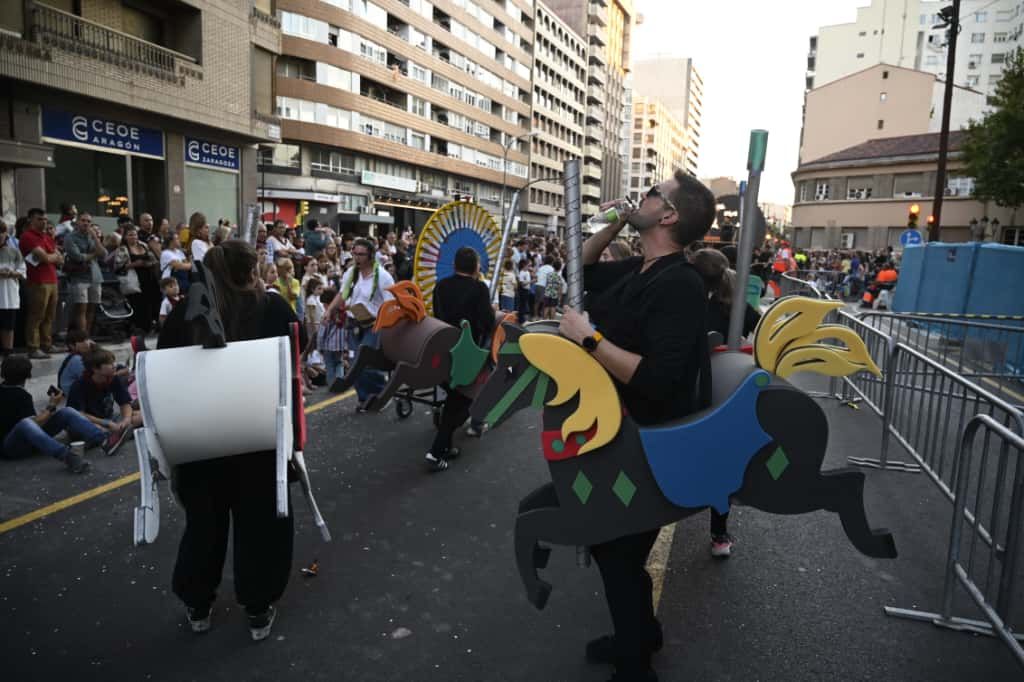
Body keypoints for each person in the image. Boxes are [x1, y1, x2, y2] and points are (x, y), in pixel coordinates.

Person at [558, 171, 715, 682]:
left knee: (618, 552)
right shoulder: (642, 268)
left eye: (652, 194)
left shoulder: (682, 283)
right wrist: (613, 222)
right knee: (613, 551)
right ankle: (640, 636)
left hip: (651, 441)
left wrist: (588, 340)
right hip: (617, 434)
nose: (641, 196)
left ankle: (636, 662)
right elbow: (578, 270)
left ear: (668, 216)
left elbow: (659, 380)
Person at [158, 239, 303, 640]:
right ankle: (258, 607)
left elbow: (162, 368)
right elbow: (297, 346)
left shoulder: (186, 313)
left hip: (199, 438)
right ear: (251, 271)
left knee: (203, 523)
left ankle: (197, 603)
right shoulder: (271, 307)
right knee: (262, 525)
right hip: (257, 436)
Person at [427, 247, 494, 472]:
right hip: (470, 352)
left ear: (454, 265)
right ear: (476, 267)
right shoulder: (479, 288)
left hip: (444, 346)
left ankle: (444, 448)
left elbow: (436, 314)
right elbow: (487, 321)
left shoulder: (441, 286)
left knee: (454, 398)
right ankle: (436, 452)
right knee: (465, 399)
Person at [0, 355, 107, 472]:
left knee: (67, 411)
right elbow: (34, 424)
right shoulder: (22, 396)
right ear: (28, 376)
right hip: (10, 447)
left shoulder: (13, 391)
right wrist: (52, 406)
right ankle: (68, 457)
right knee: (26, 423)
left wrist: (47, 411)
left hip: (26, 439)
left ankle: (103, 439)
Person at [337, 238, 394, 409]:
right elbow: (342, 294)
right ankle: (363, 398)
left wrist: (382, 322)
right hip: (354, 322)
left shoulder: (383, 276)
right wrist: (330, 311)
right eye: (355, 253)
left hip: (374, 324)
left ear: (370, 256)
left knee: (367, 362)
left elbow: (390, 303)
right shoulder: (350, 273)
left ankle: (380, 394)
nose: (357, 258)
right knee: (355, 362)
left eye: (361, 254)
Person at [66, 347, 138, 454]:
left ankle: (114, 436)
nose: (114, 366)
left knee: (139, 416)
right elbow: (78, 414)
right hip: (91, 422)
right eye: (109, 363)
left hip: (110, 420)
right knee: (92, 428)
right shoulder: (79, 385)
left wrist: (126, 419)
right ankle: (113, 437)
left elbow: (125, 403)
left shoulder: (113, 379)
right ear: (95, 369)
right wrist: (105, 423)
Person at [19, 208, 63, 358]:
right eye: (39, 219)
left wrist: (52, 257)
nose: (43, 222)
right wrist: (52, 256)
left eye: (44, 219)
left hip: (52, 279)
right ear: (30, 220)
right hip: (37, 281)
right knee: (36, 315)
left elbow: (60, 258)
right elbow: (45, 258)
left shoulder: (46, 237)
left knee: (50, 315)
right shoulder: (28, 236)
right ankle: (33, 347)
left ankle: (47, 344)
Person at [0, 221, 26, 356]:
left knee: (9, 326)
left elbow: (22, 272)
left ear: (6, 234)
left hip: (9, 295)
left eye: (2, 232)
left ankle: (8, 351)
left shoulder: (14, 252)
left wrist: (10, 273)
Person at [318, 288, 346, 388]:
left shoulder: (326, 316)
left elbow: (322, 334)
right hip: (340, 345)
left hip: (328, 346)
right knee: (339, 363)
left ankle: (331, 384)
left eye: (323, 304)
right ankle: (340, 383)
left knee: (329, 365)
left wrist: (319, 347)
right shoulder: (342, 314)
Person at [57, 329, 93, 395]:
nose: (86, 343)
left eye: (87, 339)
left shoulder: (79, 355)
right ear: (72, 346)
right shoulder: (77, 359)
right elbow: (90, 379)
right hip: (72, 393)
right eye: (81, 341)